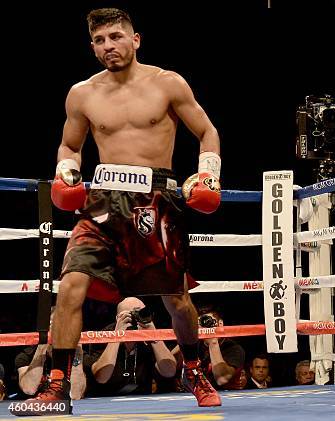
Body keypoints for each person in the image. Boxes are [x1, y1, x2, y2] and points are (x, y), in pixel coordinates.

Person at [14, 8, 222, 414]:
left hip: (155, 199)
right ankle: (56, 387)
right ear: (92, 46)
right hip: (103, 201)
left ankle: (194, 370)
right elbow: (70, 145)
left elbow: (206, 131)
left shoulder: (168, 83)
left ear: (135, 39)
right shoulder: (82, 93)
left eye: (115, 37)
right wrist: (67, 170)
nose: (109, 46)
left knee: (176, 299)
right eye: (100, 40)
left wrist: (207, 176)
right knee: (71, 284)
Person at [86, 297, 176, 396]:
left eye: (141, 313)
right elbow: (101, 377)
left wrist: (154, 336)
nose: (135, 318)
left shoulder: (150, 336)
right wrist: (116, 337)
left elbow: (169, 372)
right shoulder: (104, 337)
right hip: (106, 400)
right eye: (130, 314)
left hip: (142, 401)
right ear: (118, 318)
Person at [14, 308, 87, 400]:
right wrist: (44, 341)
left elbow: (75, 394)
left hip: (61, 409)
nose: (57, 333)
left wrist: (77, 348)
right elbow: (29, 389)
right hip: (34, 408)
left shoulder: (75, 354)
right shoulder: (26, 356)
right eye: (53, 327)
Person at [170, 305, 246, 391]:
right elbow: (169, 368)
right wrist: (187, 338)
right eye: (200, 323)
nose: (204, 327)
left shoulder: (234, 349)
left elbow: (222, 379)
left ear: (220, 324)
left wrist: (213, 342)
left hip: (226, 396)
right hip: (195, 396)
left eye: (207, 322)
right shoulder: (196, 344)